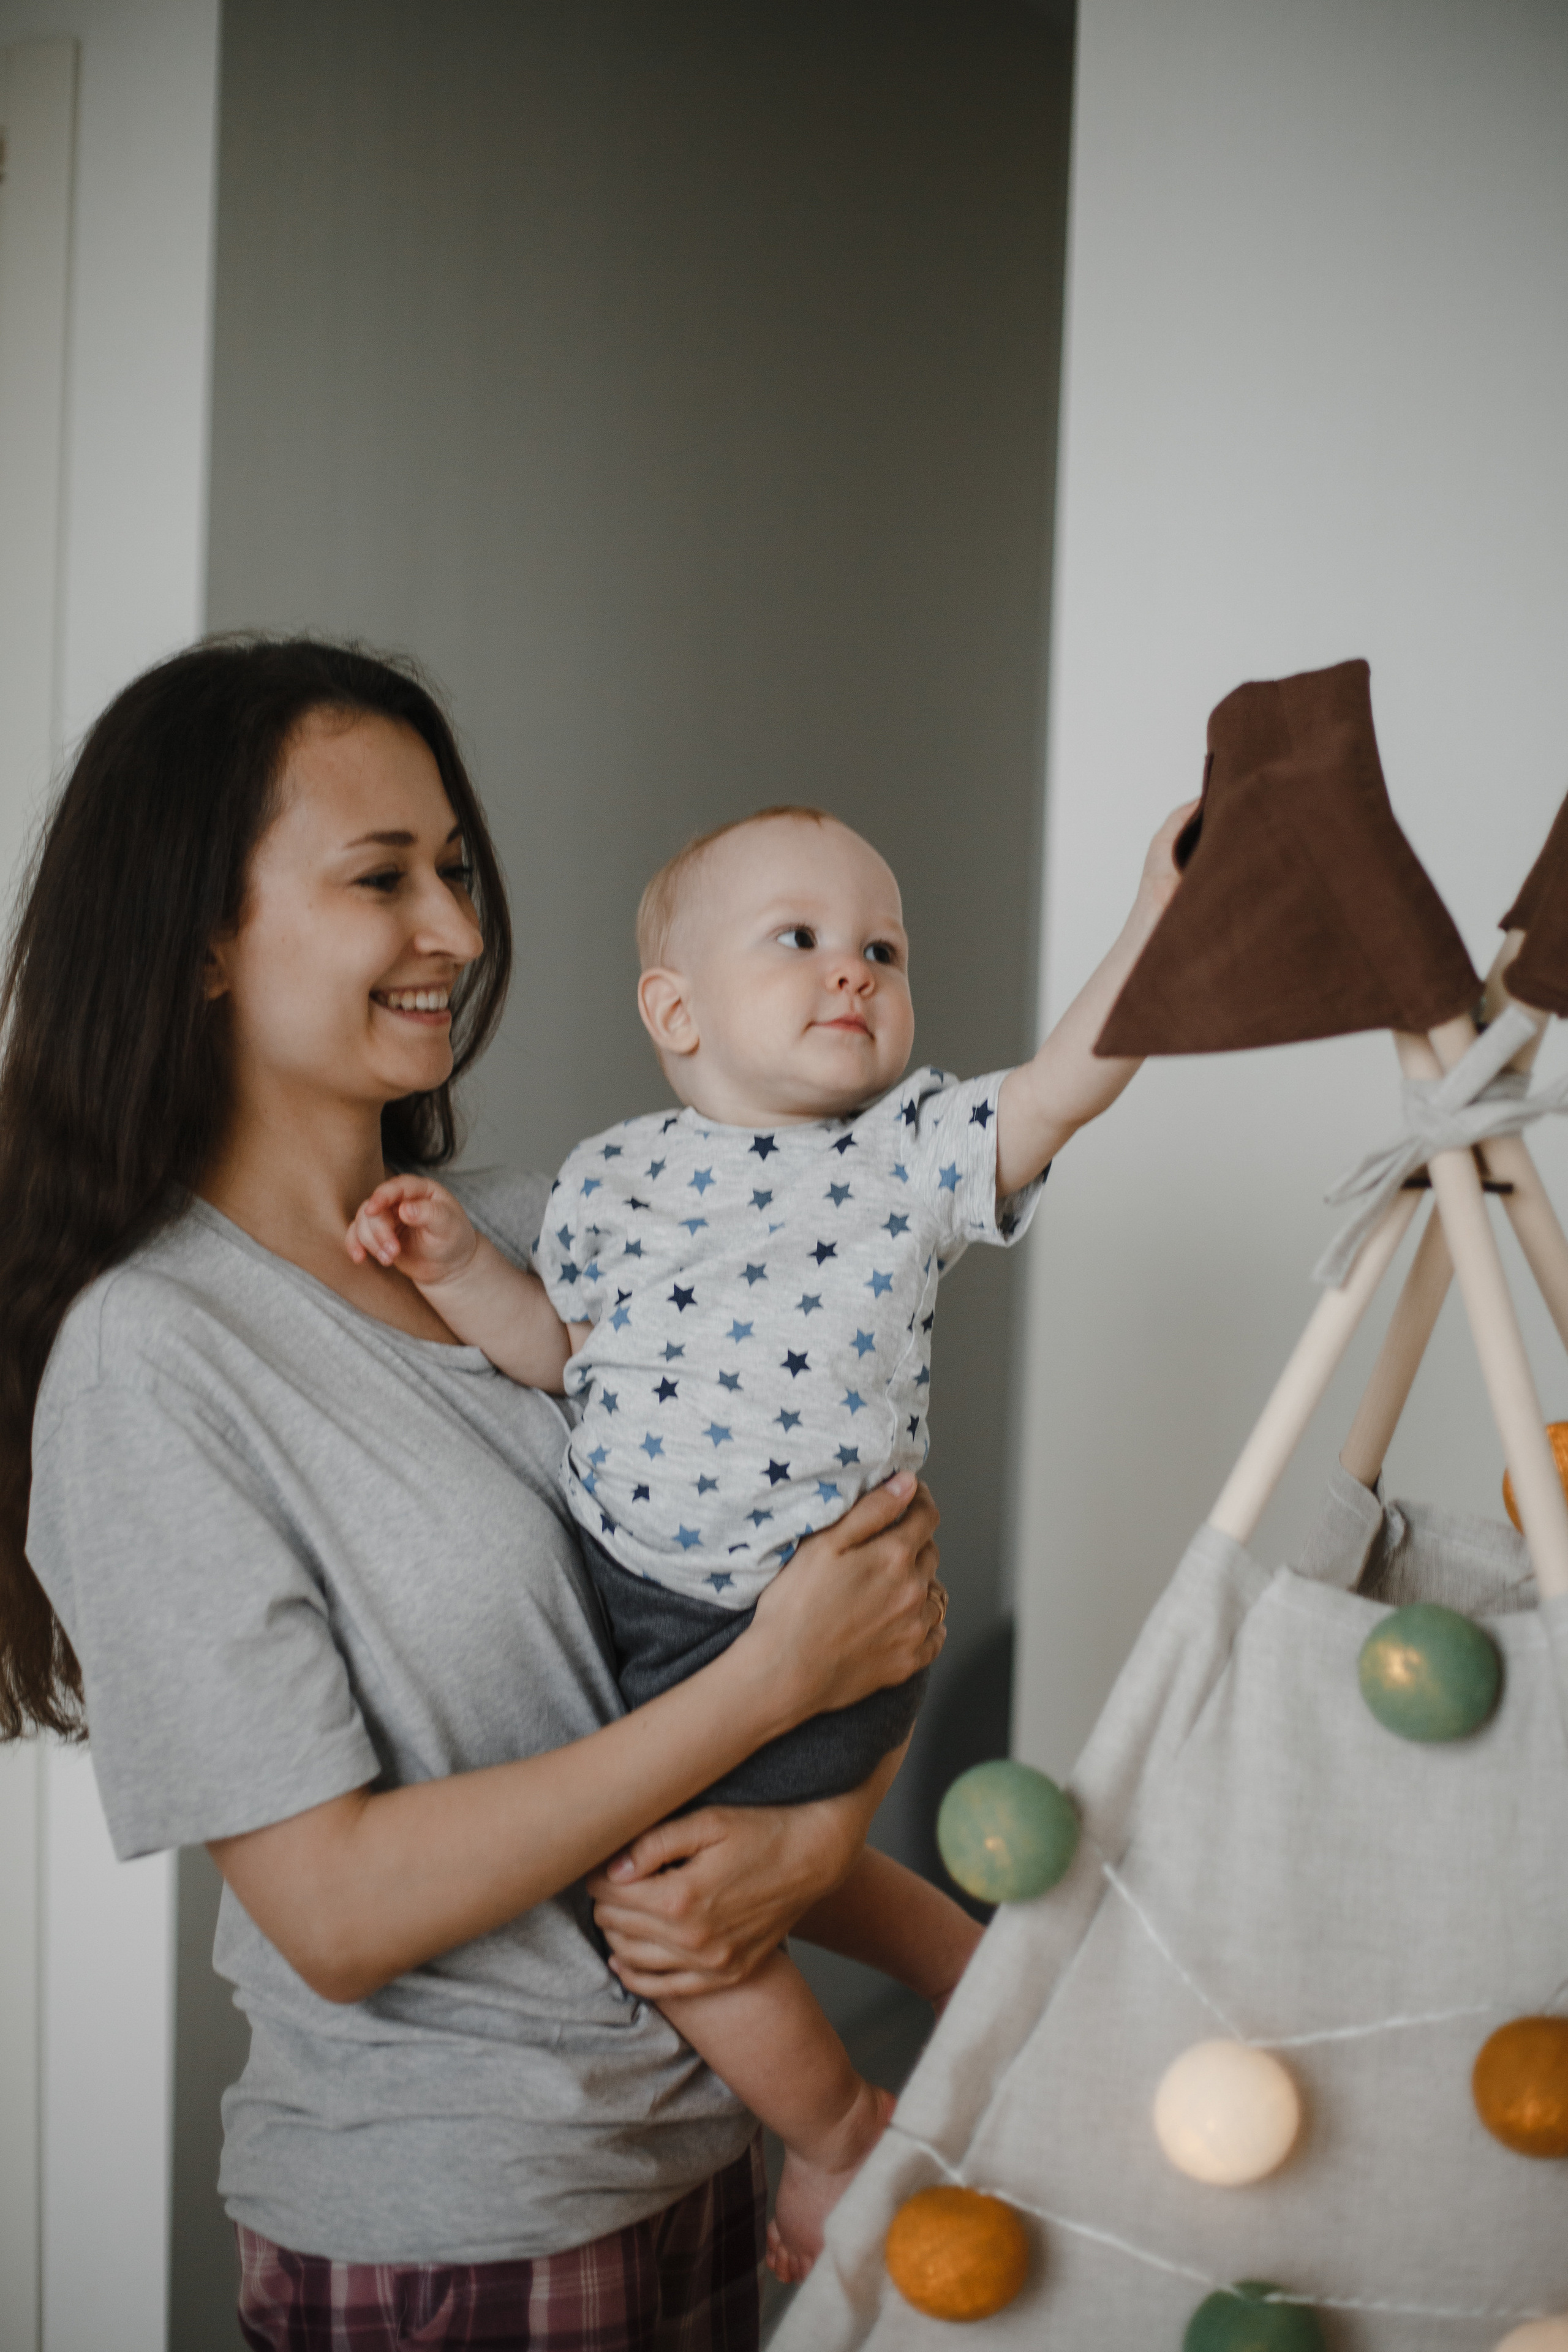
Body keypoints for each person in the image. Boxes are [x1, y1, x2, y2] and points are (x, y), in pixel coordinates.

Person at [0, 639, 964, 2352]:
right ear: (200, 938)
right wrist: (772, 1683)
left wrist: (820, 1829)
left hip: (704, 2164)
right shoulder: (154, 1362)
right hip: (458, 2242)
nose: (455, 927)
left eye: (454, 868)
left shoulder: (544, 1230)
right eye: (382, 878)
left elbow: (850, 1607)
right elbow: (337, 1914)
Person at [345, 800, 1187, 2276]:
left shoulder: (907, 1152)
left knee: (666, 1914)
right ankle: (985, 1975)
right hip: (638, 1612)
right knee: (741, 1859)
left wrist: (1157, 919)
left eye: (882, 949)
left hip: (822, 1607)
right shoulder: (607, 1179)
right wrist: (461, 1264)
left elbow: (1064, 1085)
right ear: (675, 1010)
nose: (851, 969)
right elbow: (559, 1354)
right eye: (797, 939)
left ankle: (837, 2134)